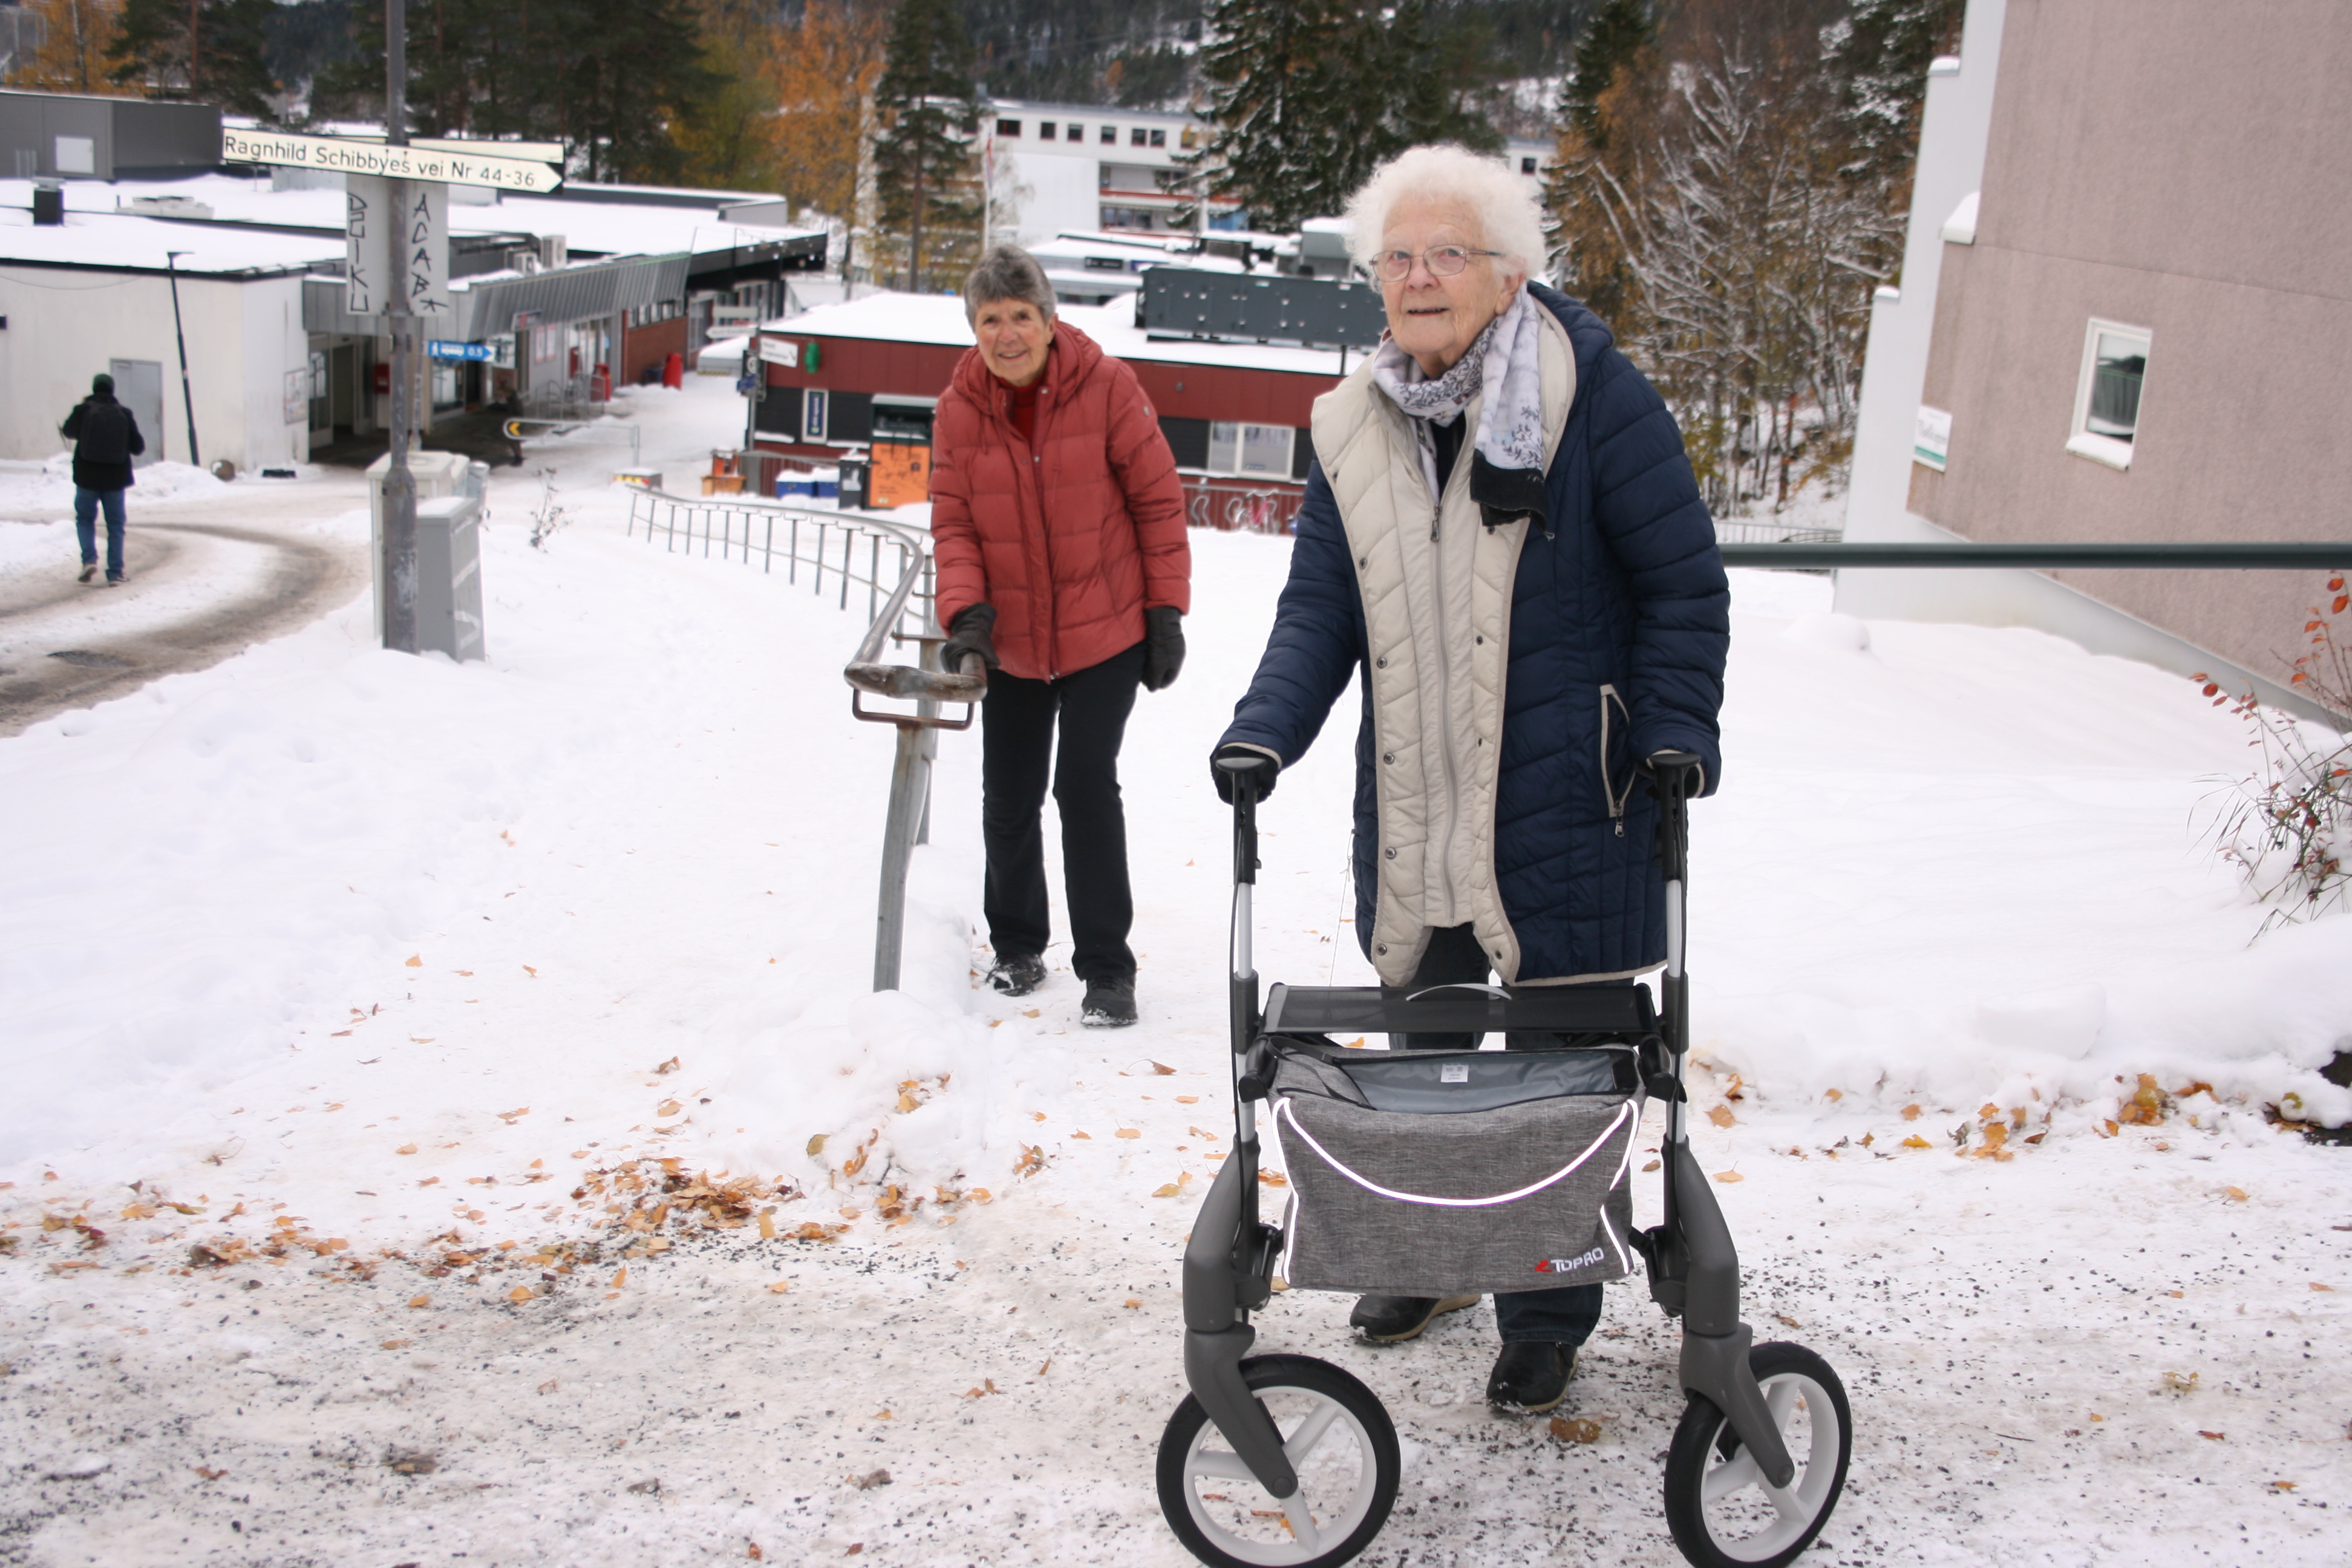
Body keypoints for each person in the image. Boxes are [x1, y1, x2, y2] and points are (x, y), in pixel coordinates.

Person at [1210, 145, 1730, 1412]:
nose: (1419, 277)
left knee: (1555, 1074)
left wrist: (1673, 732)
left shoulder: (1593, 397)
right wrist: (1263, 729)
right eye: (1397, 257)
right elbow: (1319, 611)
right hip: (1421, 805)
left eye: (1448, 254)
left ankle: (1544, 1306)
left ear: (1510, 274)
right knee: (1428, 1068)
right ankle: (1434, 1262)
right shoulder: (1353, 424)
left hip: (1571, 802)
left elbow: (1681, 585)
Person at [930, 245, 1192, 1029]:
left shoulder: (1107, 386)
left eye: (1021, 316)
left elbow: (1156, 501)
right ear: (974, 329)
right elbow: (954, 524)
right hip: (1013, 639)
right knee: (1008, 794)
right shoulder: (957, 410)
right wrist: (967, 615)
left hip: (1104, 627)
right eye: (990, 320)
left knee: (1083, 786)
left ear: (1049, 321)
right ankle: (1017, 946)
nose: (1007, 334)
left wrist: (1165, 611)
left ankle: (1107, 969)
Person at [60, 373, 145, 586]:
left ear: (94, 388)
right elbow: (138, 447)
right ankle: (115, 572)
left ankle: (89, 560)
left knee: (85, 520)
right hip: (115, 479)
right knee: (115, 526)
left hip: (87, 477)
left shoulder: (83, 410)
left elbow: (68, 431)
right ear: (112, 390)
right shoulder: (124, 413)